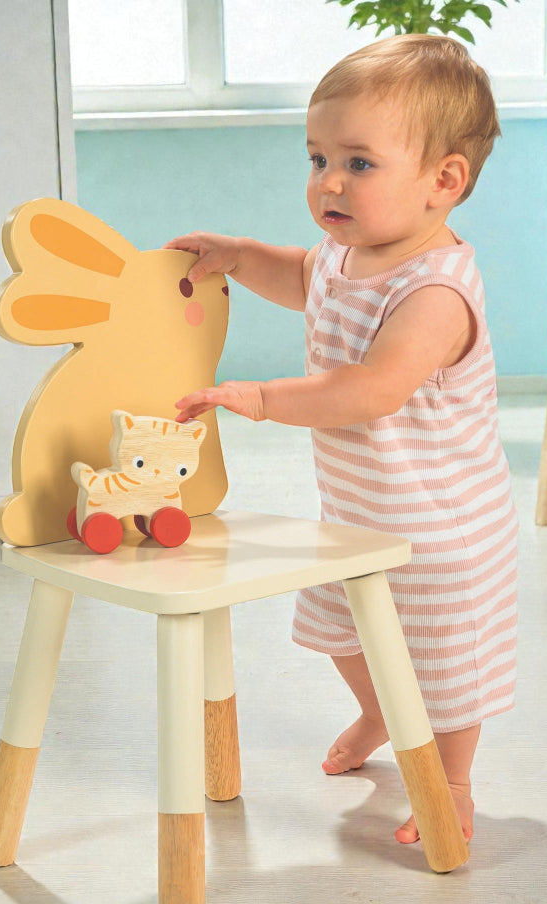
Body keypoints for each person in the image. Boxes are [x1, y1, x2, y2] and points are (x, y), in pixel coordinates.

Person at [167, 33, 518, 847]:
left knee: (443, 667)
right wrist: (239, 256)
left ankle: (450, 780)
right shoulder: (343, 253)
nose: (328, 181)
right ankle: (382, 711)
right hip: (360, 512)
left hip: (441, 527)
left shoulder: (435, 291)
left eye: (358, 163)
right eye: (318, 157)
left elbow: (370, 389)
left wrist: (259, 397)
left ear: (444, 181)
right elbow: (303, 277)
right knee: (338, 628)